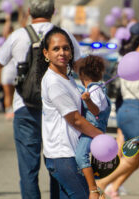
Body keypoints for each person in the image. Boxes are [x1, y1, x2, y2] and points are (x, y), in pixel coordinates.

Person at [0, 0, 81, 198]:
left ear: (30, 12)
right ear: (54, 12)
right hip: (58, 107)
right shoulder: (63, 35)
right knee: (59, 161)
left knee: (28, 169)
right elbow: (79, 64)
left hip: (25, 105)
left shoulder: (18, 35)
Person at [97, 21, 139, 199]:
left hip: (128, 111)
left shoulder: (127, 56)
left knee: (133, 159)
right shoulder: (136, 56)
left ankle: (101, 184)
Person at [40, 26, 104, 198]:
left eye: (66, 48)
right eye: (56, 49)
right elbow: (75, 119)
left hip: (65, 154)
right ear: (46, 53)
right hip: (64, 156)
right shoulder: (54, 82)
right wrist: (101, 137)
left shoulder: (66, 78)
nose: (62, 53)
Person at [74, 55, 111, 198]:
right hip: (94, 130)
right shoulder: (99, 87)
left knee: (80, 156)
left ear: (82, 74)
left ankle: (93, 189)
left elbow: (95, 111)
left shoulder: (94, 89)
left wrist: (88, 100)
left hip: (92, 130)